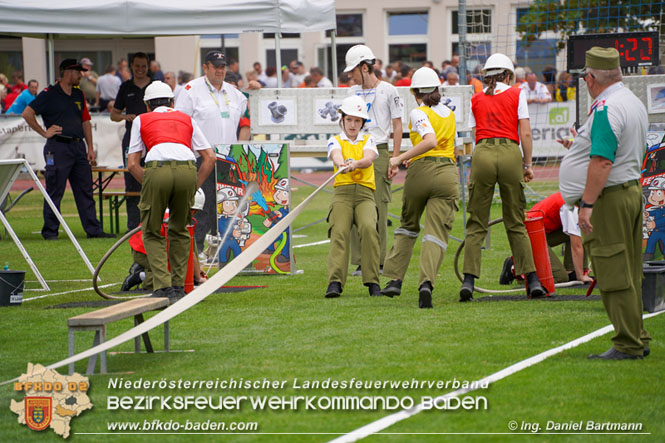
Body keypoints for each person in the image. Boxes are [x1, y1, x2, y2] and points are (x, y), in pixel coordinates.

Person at [559, 47, 651, 360]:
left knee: (613, 270)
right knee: (629, 270)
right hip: (628, 192)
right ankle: (637, 334)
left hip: (609, 198)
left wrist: (586, 204)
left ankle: (628, 343)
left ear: (591, 78)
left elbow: (601, 162)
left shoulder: (605, 107)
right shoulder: (631, 101)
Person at [460, 53, 546, 301]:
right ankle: (532, 279)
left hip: (483, 152)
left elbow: (475, 134)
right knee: (516, 220)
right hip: (509, 151)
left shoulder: (476, 99)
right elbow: (526, 134)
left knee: (477, 221)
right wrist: (527, 164)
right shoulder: (518, 94)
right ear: (508, 75)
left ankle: (468, 280)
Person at [126, 81, 215, 302]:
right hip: (187, 170)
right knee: (180, 230)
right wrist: (193, 186)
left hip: (156, 170)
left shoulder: (141, 119)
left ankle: (162, 287)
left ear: (147, 105)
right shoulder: (187, 119)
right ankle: (179, 286)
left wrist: (149, 185)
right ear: (172, 103)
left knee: (152, 231)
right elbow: (210, 157)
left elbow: (133, 164)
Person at [380, 67, 459, 308]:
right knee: (436, 232)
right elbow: (446, 146)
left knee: (408, 225)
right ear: (437, 89)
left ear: (415, 92)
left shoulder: (418, 113)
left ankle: (395, 279)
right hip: (447, 172)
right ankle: (426, 284)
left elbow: (429, 141)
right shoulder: (450, 114)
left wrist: (398, 158)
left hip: (420, 172)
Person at [22, 59, 113, 240]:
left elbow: (85, 121)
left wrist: (90, 148)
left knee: (85, 190)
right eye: (78, 72)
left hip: (78, 147)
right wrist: (43, 132)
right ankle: (50, 231)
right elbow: (27, 113)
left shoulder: (78, 94)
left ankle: (93, 231)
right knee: (55, 190)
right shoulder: (49, 93)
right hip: (58, 147)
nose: (81, 75)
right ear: (67, 72)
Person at [175, 50, 248, 253]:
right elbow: (181, 124)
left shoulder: (234, 93)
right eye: (215, 66)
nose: (219, 70)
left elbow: (249, 109)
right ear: (205, 67)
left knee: (227, 206)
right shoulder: (191, 90)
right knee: (202, 206)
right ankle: (196, 251)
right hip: (202, 158)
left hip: (228, 159)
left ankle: (223, 251)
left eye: (223, 66)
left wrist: (256, 90)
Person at [343, 44, 403, 276]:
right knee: (355, 205)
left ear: (365, 67)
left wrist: (395, 158)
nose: (350, 76)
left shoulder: (389, 90)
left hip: (379, 150)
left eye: (353, 71)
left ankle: (378, 260)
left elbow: (397, 125)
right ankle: (359, 260)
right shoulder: (351, 93)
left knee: (378, 207)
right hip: (355, 150)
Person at [324, 95, 381, 298]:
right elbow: (336, 154)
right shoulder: (335, 140)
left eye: (358, 120)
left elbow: (368, 158)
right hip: (342, 194)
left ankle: (373, 282)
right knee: (339, 232)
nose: (353, 124)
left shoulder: (369, 139)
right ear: (342, 120)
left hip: (365, 195)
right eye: (349, 120)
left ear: (363, 123)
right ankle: (335, 283)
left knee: (368, 228)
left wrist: (354, 164)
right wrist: (341, 164)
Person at [121, 188, 208, 291]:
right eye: (194, 211)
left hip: (145, 249)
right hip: (143, 252)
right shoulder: (176, 220)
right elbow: (188, 253)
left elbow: (190, 249)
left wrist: (197, 268)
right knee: (166, 281)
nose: (194, 213)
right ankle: (140, 275)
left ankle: (146, 271)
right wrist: (198, 279)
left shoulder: (170, 212)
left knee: (176, 271)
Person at [499, 192, 592, 285]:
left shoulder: (571, 197)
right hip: (531, 234)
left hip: (541, 231)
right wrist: (580, 276)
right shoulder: (570, 208)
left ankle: (572, 271)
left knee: (582, 230)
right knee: (559, 277)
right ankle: (516, 269)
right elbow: (576, 245)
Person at [111, 52, 152, 231]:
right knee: (131, 178)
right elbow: (113, 115)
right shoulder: (126, 87)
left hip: (152, 137)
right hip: (131, 138)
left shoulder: (155, 86)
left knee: (153, 177)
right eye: (137, 66)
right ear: (132, 66)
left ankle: (152, 221)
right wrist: (124, 116)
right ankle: (133, 225)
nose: (140, 69)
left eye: (143, 66)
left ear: (148, 66)